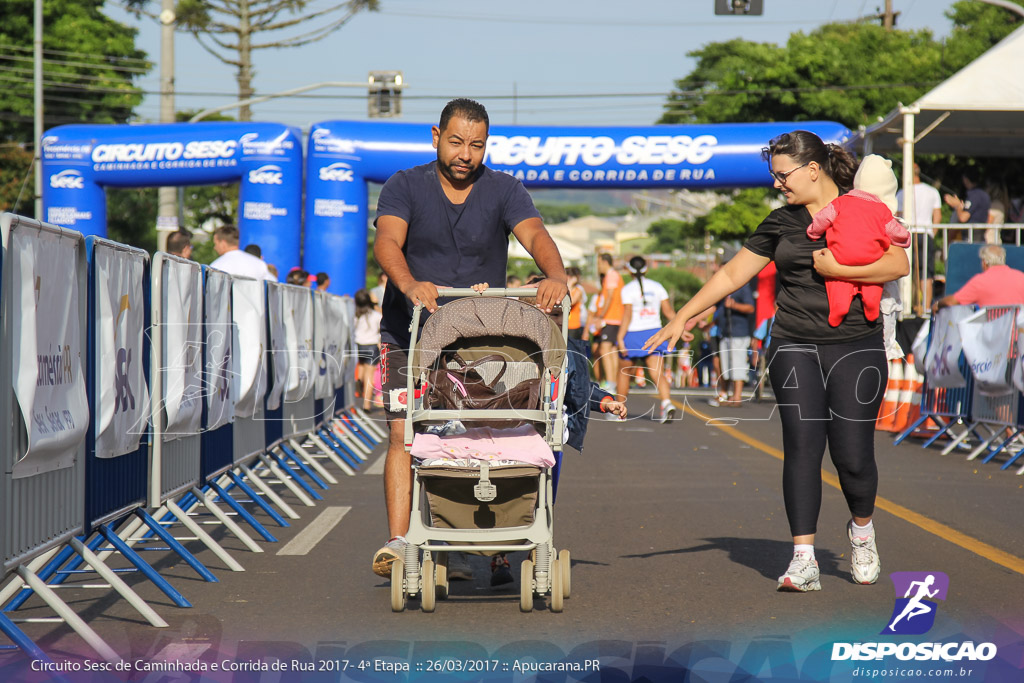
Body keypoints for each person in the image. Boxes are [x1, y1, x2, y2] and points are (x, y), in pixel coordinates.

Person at [643, 130, 909, 593]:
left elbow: (897, 264)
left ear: (813, 170)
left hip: (857, 345)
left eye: (783, 176)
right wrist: (683, 315)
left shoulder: (864, 206)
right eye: (774, 176)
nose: (778, 184)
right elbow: (730, 272)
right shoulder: (779, 223)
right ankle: (803, 558)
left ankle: (862, 532)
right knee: (803, 447)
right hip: (793, 344)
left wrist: (838, 270)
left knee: (853, 456)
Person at [370, 98, 568, 583]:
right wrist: (410, 283)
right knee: (406, 434)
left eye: (476, 145)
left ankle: (492, 540)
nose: (465, 154)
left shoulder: (504, 189)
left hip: (481, 339)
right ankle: (401, 542)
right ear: (435, 138)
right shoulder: (405, 185)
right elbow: (387, 242)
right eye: (456, 142)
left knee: (489, 435)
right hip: (408, 332)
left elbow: (535, 233)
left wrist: (556, 274)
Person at [615, 256, 677, 422]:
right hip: (655, 334)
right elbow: (669, 313)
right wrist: (680, 327)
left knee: (624, 373)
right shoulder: (657, 287)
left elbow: (627, 316)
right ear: (646, 269)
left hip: (633, 334)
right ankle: (666, 403)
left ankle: (619, 410)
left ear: (629, 270)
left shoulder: (627, 289)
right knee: (657, 373)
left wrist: (620, 337)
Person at [896, 163, 943, 312]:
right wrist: (931, 233)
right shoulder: (932, 191)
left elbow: (897, 215)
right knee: (926, 273)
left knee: (906, 271)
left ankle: (907, 307)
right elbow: (938, 216)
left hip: (908, 234)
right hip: (925, 233)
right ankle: (926, 307)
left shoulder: (902, 192)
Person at [707, 278, 755, 407]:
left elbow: (751, 308)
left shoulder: (743, 288)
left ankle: (737, 396)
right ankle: (729, 394)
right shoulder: (724, 290)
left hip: (738, 333)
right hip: (725, 333)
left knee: (737, 365)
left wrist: (734, 305)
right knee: (727, 367)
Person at [933, 244, 1024, 310]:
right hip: (1018, 333)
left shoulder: (980, 281)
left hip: (990, 333)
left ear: (984, 262)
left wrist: (938, 304)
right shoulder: (1021, 278)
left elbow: (951, 302)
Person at [595, 253, 624, 392]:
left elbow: (610, 297)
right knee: (611, 350)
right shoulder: (612, 275)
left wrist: (601, 315)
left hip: (611, 317)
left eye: (599, 263)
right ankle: (613, 382)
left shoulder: (611, 275)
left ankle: (611, 383)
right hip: (616, 318)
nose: (598, 266)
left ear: (605, 262)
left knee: (604, 349)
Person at [353, 289, 382, 412]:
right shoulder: (375, 315)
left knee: (363, 370)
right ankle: (367, 404)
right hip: (372, 346)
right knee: (370, 375)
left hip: (359, 345)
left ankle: (359, 383)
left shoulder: (355, 316)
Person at [943, 169, 991, 242]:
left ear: (966, 179)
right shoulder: (984, 194)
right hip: (980, 236)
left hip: (972, 237)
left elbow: (963, 217)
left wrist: (958, 205)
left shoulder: (974, 195)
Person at [565, 266, 586, 340]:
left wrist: (569, 285)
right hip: (564, 324)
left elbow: (570, 302)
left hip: (574, 325)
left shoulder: (578, 290)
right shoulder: (564, 289)